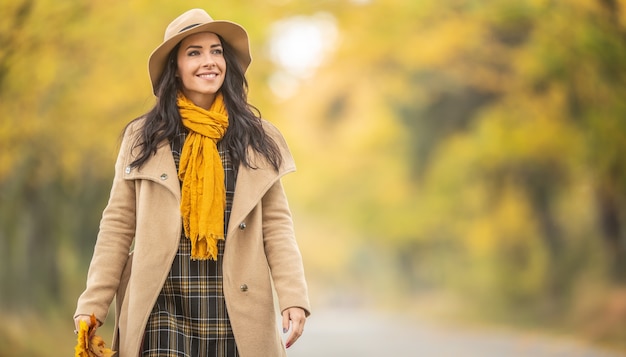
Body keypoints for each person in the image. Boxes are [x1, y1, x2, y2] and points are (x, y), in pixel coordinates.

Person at [74, 8, 311, 357]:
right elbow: (118, 225)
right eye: (194, 52)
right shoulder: (144, 138)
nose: (209, 61)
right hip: (162, 307)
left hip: (235, 308)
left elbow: (276, 225)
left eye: (216, 51)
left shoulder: (256, 138)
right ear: (175, 67)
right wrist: (92, 304)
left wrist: (293, 297)